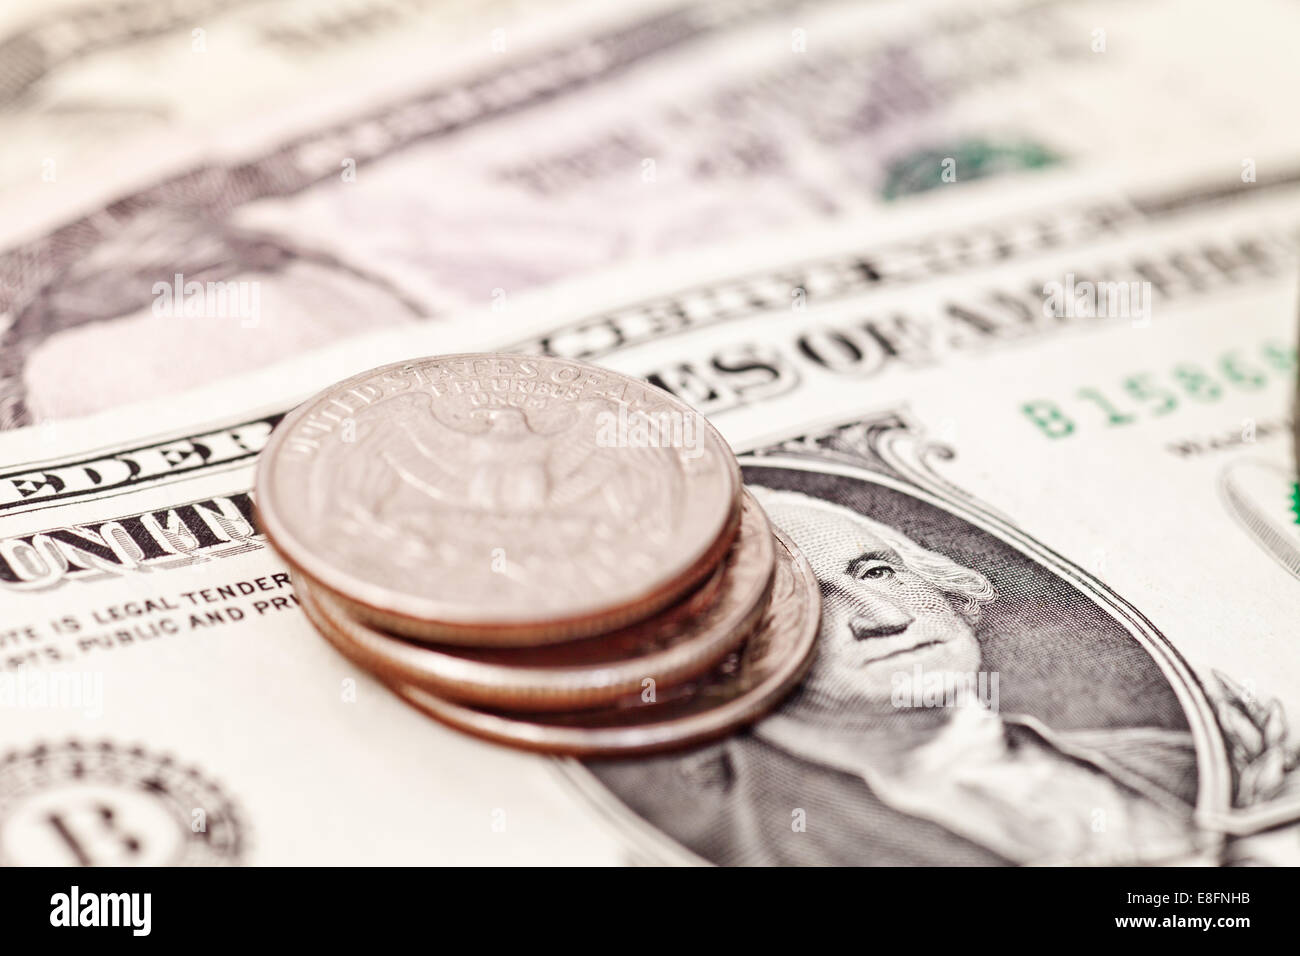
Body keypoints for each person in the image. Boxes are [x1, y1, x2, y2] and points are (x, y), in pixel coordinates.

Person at [588, 488, 1202, 865]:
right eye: (804, 604)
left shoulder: (1170, 761)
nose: (884, 618)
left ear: (948, 588)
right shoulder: (763, 850)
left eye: (877, 573)